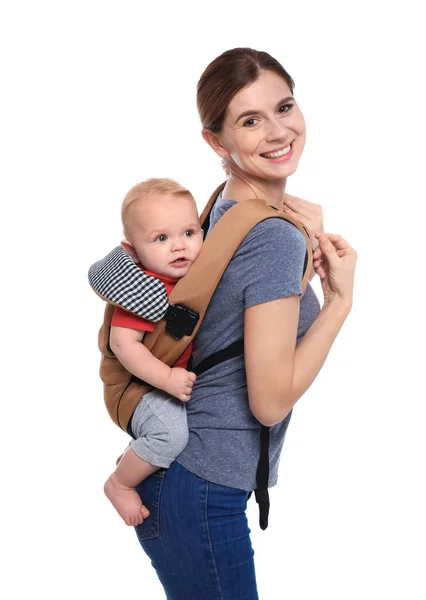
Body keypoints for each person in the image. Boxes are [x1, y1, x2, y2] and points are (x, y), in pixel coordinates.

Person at [101, 47, 357, 599]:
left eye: (284, 107)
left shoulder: (221, 207)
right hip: (202, 487)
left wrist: (302, 244)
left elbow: (232, 329)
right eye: (249, 120)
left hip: (185, 479)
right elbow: (269, 400)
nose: (276, 131)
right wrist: (338, 302)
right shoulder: (269, 235)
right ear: (216, 142)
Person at [103, 177, 204, 526]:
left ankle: (137, 456)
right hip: (136, 389)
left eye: (189, 233)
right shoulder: (141, 290)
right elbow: (123, 345)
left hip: (159, 385)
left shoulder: (188, 280)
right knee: (171, 434)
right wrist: (167, 378)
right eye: (161, 238)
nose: (179, 246)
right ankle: (119, 483)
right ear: (132, 251)